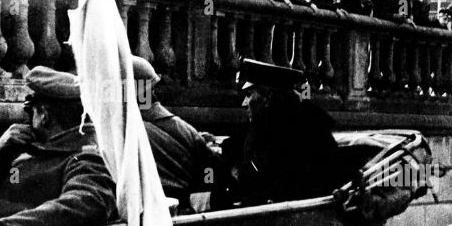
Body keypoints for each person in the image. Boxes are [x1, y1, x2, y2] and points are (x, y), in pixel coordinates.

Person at [0, 67, 116, 226]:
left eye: (30, 111)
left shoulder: (86, 158)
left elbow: (86, 204)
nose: (27, 120)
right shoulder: (42, 151)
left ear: (44, 114)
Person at [233, 58, 340, 204]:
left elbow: (269, 187)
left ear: (268, 98)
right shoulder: (271, 121)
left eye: (249, 94)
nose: (244, 102)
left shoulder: (295, 132)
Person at [131, 58, 223, 207]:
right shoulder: (187, 130)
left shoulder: (128, 132)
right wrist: (205, 190)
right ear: (152, 88)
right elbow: (210, 166)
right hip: (184, 214)